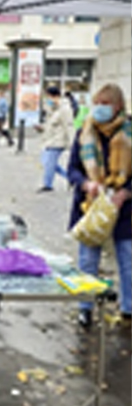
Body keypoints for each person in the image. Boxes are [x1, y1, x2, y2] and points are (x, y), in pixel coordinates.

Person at [67, 83, 131, 330]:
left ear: (118, 106)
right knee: (87, 260)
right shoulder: (85, 132)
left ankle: (128, 309)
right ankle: (85, 308)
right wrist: (86, 184)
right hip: (91, 207)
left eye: (106, 104)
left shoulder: (129, 132)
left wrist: (125, 192)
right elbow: (73, 168)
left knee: (128, 259)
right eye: (98, 103)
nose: (100, 109)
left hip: (124, 210)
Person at [34, 86, 74, 192]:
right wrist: (41, 128)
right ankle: (71, 178)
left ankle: (48, 185)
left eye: (48, 97)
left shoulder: (65, 109)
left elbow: (69, 126)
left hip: (58, 141)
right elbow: (50, 125)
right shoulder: (53, 109)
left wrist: (72, 143)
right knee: (47, 162)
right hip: (49, 140)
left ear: (54, 96)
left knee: (49, 163)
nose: (47, 99)